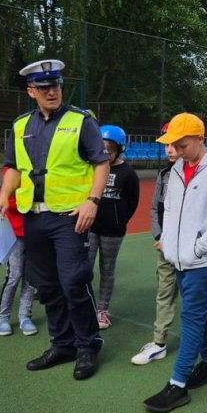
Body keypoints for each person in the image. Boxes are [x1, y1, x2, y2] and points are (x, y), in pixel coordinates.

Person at [0, 59, 110, 381]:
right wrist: (3, 198)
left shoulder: (81, 121)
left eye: (55, 85)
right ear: (31, 91)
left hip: (70, 216)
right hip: (33, 216)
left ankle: (87, 345)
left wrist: (92, 201)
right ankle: (62, 344)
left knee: (73, 280)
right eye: (43, 88)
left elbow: (101, 163)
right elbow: (13, 168)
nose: (51, 91)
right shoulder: (19, 126)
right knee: (47, 285)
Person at [142, 113, 207, 413]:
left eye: (182, 145)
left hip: (202, 259)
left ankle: (178, 384)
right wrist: (170, 246)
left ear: (200, 139)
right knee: (200, 311)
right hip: (178, 256)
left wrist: (199, 247)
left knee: (192, 315)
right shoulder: (178, 169)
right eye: (173, 146)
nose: (177, 151)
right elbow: (169, 210)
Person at [132, 124, 180, 365]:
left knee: (196, 297)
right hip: (165, 247)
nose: (170, 150)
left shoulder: (202, 173)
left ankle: (205, 340)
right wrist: (159, 236)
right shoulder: (163, 174)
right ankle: (159, 343)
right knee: (164, 293)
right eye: (167, 146)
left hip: (192, 251)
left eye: (174, 145)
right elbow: (155, 209)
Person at [87, 124, 139, 329]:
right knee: (85, 268)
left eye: (109, 149)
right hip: (90, 227)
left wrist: (120, 220)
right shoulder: (93, 169)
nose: (105, 153)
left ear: (119, 149)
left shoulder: (127, 173)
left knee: (107, 269)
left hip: (113, 231)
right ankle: (86, 306)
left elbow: (132, 202)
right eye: (102, 149)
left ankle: (102, 310)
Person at [0, 166, 38, 336]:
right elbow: (7, 200)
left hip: (36, 231)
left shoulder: (42, 166)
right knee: (15, 274)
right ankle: (2, 318)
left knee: (30, 275)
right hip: (16, 232)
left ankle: (25, 316)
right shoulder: (11, 170)